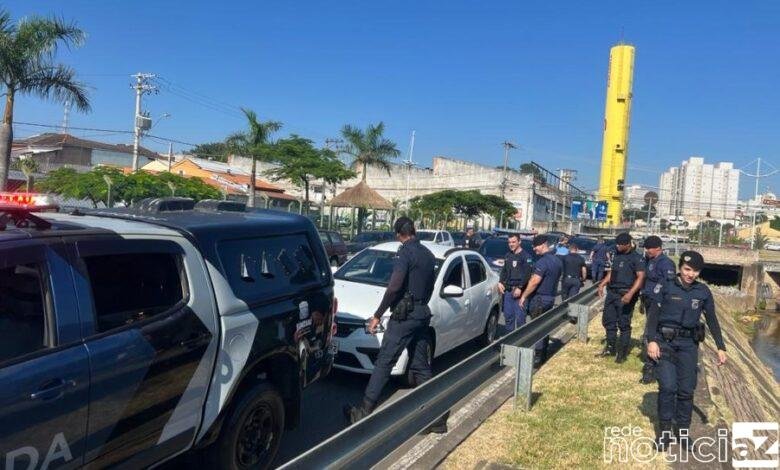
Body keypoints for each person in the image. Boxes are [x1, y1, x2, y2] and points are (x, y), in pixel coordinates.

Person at [344, 217, 444, 431]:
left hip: (404, 317)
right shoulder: (428, 254)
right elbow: (431, 285)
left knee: (384, 361)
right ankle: (437, 418)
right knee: (420, 366)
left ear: (399, 233)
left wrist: (378, 314)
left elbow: (394, 286)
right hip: (421, 314)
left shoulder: (404, 253)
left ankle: (363, 412)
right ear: (414, 231)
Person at [645, 251, 726, 450]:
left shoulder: (703, 291)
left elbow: (712, 320)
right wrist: (651, 341)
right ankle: (664, 434)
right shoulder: (666, 285)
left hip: (689, 346)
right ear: (680, 267)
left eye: (695, 271)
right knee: (668, 388)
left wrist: (720, 347)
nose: (691, 274)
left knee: (686, 391)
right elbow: (653, 316)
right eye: (687, 269)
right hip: (664, 343)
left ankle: (682, 432)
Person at [597, 233, 646, 363]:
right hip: (612, 292)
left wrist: (630, 294)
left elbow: (641, 277)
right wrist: (602, 284)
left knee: (624, 324)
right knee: (608, 321)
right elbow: (612, 273)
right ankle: (610, 348)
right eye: (617, 244)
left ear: (628, 244)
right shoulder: (617, 255)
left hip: (625, 294)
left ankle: (622, 354)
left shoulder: (637, 258)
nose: (617, 246)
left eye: (620, 244)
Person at [639, 235, 677, 384]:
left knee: (651, 333)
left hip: (659, 303)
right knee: (650, 332)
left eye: (649, 248)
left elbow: (668, 284)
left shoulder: (666, 263)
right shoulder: (650, 261)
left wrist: (656, 296)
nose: (646, 250)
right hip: (649, 300)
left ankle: (651, 368)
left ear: (658, 248)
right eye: (645, 248)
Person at [520, 235, 563, 366]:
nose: (534, 249)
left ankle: (538, 356)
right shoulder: (557, 261)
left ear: (543, 244)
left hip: (539, 299)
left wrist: (524, 296)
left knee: (537, 327)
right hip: (550, 298)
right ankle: (542, 354)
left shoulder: (542, 262)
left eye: (536, 246)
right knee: (544, 327)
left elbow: (534, 281)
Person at [498, 233, 533, 333]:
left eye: (513, 242)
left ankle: (520, 343)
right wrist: (500, 282)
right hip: (509, 291)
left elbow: (527, 274)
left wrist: (520, 287)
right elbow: (504, 271)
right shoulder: (508, 255)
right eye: (509, 242)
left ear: (519, 242)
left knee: (520, 319)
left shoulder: (526, 256)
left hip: (520, 292)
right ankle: (509, 341)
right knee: (508, 316)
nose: (511, 244)